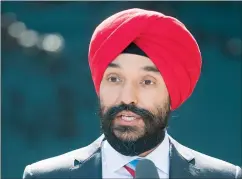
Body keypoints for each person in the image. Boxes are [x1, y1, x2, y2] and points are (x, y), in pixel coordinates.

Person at [23, 8, 241, 179]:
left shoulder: (223, 177)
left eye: (147, 81)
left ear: (171, 93)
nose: (127, 97)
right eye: (114, 79)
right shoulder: (44, 176)